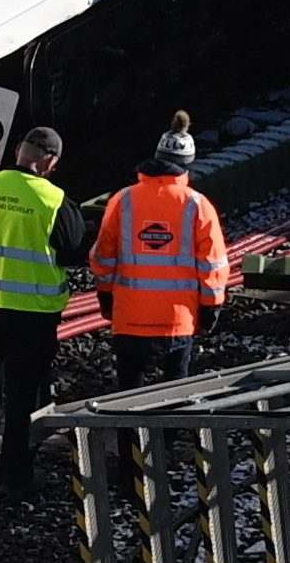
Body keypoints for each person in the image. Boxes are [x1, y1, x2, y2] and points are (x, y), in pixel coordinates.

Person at [0, 124, 71, 502]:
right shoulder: (52, 199)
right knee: (24, 390)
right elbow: (72, 247)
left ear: (18, 150)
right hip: (31, 312)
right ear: (50, 161)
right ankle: (16, 470)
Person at [85, 120, 232, 380]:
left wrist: (105, 297)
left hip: (130, 318)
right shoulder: (198, 205)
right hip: (177, 321)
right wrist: (211, 309)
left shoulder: (123, 199)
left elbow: (102, 257)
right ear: (188, 164)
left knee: (127, 398)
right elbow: (213, 265)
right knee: (174, 396)